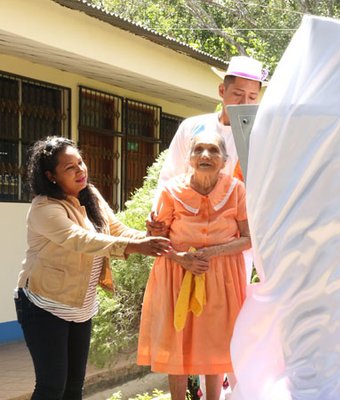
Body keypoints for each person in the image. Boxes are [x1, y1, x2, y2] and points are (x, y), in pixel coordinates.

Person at [13, 136, 171, 400]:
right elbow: (81, 240)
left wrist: (147, 237)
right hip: (43, 305)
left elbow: (117, 230)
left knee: (74, 386)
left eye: (81, 162)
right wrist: (138, 246)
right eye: (70, 167)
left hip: (81, 306)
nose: (81, 170)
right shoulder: (44, 208)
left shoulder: (90, 195)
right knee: (52, 386)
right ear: (51, 176)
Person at [137, 131, 252, 400]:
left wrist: (211, 253)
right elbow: (157, 239)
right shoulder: (171, 190)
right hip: (177, 274)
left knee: (214, 343)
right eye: (198, 150)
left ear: (224, 160)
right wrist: (182, 258)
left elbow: (248, 238)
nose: (205, 155)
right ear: (188, 158)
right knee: (176, 342)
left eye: (213, 150)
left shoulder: (237, 190)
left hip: (220, 276)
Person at [155, 55, 267, 200]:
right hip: (189, 214)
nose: (244, 102)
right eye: (238, 94)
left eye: (252, 97)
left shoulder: (259, 136)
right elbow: (170, 176)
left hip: (235, 218)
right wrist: (159, 213)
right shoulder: (191, 126)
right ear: (222, 90)